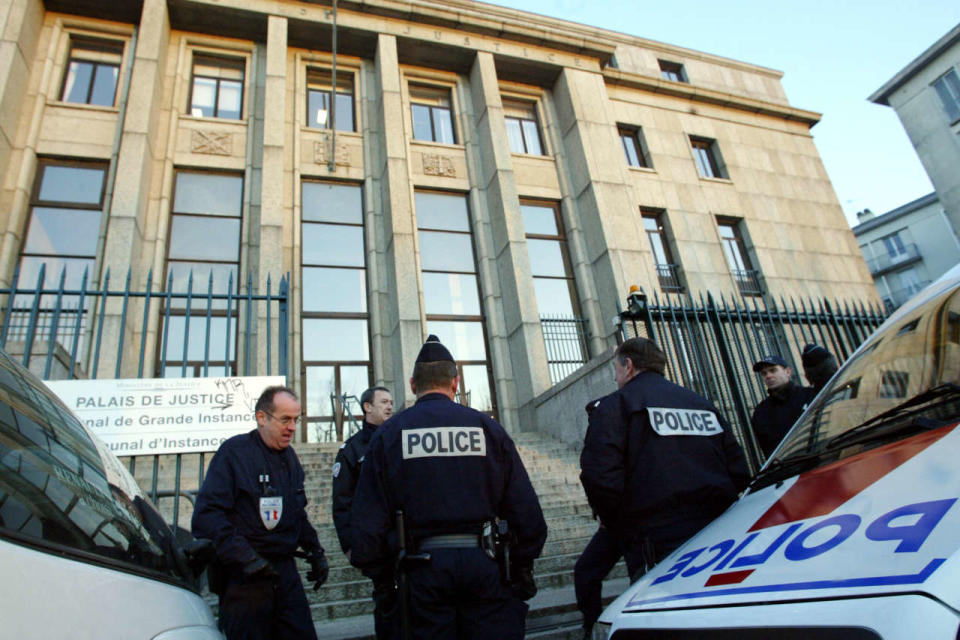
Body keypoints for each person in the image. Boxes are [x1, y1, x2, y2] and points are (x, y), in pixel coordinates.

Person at [349, 335, 548, 640]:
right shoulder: (487, 428)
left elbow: (367, 522)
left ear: (414, 385)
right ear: (456, 383)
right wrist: (521, 565)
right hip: (484, 567)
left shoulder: (390, 434)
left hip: (419, 573)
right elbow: (526, 512)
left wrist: (383, 579)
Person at [579, 337, 749, 636]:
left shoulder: (616, 405)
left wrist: (619, 523)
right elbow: (739, 471)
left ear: (628, 366)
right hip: (716, 534)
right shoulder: (702, 404)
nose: (615, 376)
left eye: (616, 368)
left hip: (652, 540)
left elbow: (600, 477)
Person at [192, 385, 328, 640]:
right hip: (245, 579)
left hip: (283, 573)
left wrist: (316, 551)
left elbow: (297, 513)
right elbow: (207, 516)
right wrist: (246, 559)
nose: (292, 427)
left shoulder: (290, 459)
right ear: (262, 418)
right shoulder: (234, 454)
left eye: (296, 420)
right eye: (285, 419)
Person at [331, 386, 396, 638]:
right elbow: (342, 502)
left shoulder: (401, 439)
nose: (390, 406)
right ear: (367, 407)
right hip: (378, 549)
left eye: (391, 402)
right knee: (388, 610)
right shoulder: (352, 450)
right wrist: (349, 546)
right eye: (383, 402)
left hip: (409, 543)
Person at [750, 354, 814, 459]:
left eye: (773, 370)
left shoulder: (810, 395)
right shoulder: (761, 412)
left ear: (788, 372)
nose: (768, 376)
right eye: (764, 373)